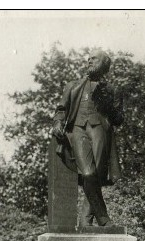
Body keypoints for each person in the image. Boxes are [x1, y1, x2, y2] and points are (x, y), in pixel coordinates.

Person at [52, 50, 124, 227]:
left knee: (97, 174)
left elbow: (119, 119)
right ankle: (103, 217)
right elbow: (61, 109)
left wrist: (111, 106)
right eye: (89, 58)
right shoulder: (73, 86)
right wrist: (57, 123)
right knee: (88, 173)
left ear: (104, 64)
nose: (89, 61)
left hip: (100, 130)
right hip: (78, 130)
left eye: (94, 58)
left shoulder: (111, 90)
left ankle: (85, 221)